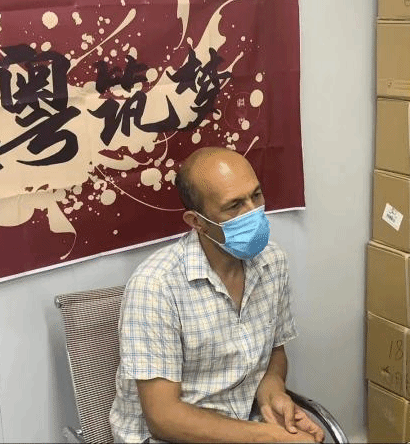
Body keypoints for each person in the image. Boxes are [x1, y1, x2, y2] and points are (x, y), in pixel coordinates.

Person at [109, 147, 323, 443]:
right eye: (234, 206)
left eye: (256, 196)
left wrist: (271, 391)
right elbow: (163, 418)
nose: (253, 212)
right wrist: (268, 438)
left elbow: (275, 350)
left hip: (243, 420)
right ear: (197, 221)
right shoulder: (156, 286)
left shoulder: (272, 261)